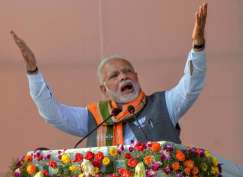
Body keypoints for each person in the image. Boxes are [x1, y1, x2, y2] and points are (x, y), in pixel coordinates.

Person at [11, 3, 208, 147]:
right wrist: (33, 71)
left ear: (137, 77)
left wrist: (197, 47)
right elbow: (52, 113)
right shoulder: (95, 118)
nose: (123, 76)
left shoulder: (164, 105)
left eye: (127, 71)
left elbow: (191, 86)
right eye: (114, 75)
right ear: (103, 90)